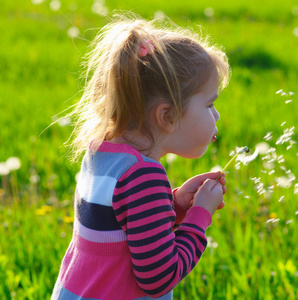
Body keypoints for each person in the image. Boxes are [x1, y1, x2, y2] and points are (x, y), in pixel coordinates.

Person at [51, 14, 230, 300]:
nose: (216, 115)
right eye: (209, 104)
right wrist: (200, 216)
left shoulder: (101, 152)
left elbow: (117, 226)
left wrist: (173, 205)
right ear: (166, 115)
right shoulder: (144, 176)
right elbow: (160, 277)